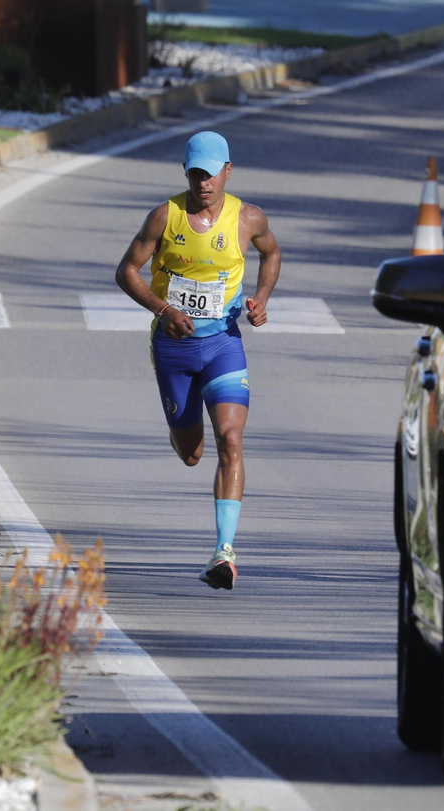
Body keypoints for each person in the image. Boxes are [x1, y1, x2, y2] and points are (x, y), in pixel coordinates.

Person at [114, 132, 282, 590]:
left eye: (210, 173)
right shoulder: (164, 218)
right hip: (174, 349)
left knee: (231, 440)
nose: (202, 182)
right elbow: (126, 271)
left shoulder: (248, 218)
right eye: (194, 173)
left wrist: (261, 298)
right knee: (192, 453)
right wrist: (164, 309)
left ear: (229, 170)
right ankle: (181, 431)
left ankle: (224, 551)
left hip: (224, 344)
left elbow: (271, 253)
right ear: (185, 172)